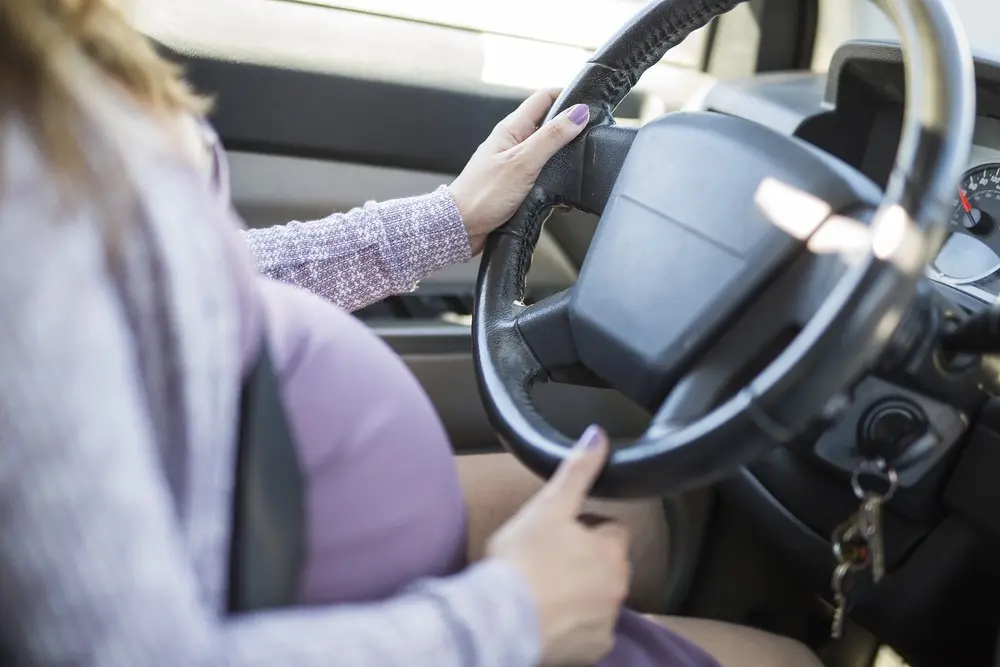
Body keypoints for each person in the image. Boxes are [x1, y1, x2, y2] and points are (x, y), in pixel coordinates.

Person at [0, 2, 822, 666]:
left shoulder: (43, 56)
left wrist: (450, 220)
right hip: (287, 598)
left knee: (636, 514)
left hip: (263, 509)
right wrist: (509, 618)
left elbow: (186, 283)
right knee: (787, 659)